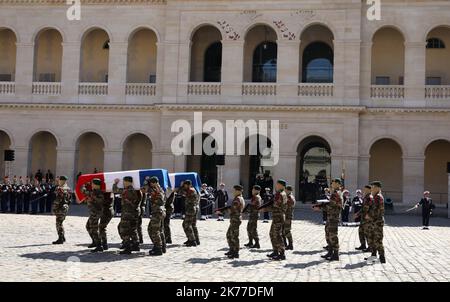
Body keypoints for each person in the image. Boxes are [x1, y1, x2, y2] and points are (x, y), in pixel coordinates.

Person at [313, 178, 342, 261]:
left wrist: (320, 207)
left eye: (333, 182)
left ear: (337, 184)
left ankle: (335, 254)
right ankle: (330, 251)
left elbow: (331, 205)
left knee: (333, 235)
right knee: (328, 233)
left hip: (333, 217)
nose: (331, 184)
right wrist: (320, 206)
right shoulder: (334, 193)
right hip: (331, 216)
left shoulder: (336, 193)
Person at [260, 179, 288, 261]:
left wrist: (265, 209)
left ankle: (282, 253)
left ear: (282, 185)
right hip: (277, 216)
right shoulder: (280, 194)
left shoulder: (281, 194)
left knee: (277, 235)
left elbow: (276, 205)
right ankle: (275, 251)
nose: (276, 185)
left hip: (278, 216)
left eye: (278, 184)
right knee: (272, 233)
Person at [216, 185, 244, 259]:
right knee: (229, 235)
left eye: (234, 190)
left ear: (238, 191)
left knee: (234, 236)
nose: (233, 192)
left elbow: (232, 209)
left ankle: (235, 252)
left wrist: (221, 212)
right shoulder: (238, 198)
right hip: (234, 219)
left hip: (236, 219)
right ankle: (232, 249)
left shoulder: (238, 199)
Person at [116, 176, 141, 255]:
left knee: (124, 229)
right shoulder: (135, 190)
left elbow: (115, 190)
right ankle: (136, 245)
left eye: (124, 182)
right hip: (133, 213)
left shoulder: (127, 190)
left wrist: (115, 183)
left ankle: (127, 247)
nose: (123, 183)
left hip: (127, 213)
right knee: (133, 229)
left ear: (127, 182)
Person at [81, 178, 105, 252]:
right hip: (93, 212)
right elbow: (85, 192)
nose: (91, 185)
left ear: (95, 185)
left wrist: (83, 185)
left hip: (95, 213)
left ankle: (99, 245)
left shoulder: (98, 192)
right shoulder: (94, 192)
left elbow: (84, 191)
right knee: (88, 226)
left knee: (94, 228)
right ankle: (95, 242)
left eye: (92, 184)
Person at [366, 181, 385, 264]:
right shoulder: (374, 197)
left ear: (378, 188)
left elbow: (378, 211)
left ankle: (382, 257)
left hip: (377, 222)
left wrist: (370, 216)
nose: (372, 188)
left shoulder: (378, 197)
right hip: (373, 221)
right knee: (372, 239)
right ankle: (373, 256)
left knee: (377, 240)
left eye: (373, 187)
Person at [147, 177, 166, 256]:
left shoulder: (157, 189)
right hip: (158, 212)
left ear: (153, 183)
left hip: (157, 212)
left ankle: (158, 248)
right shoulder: (157, 188)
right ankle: (162, 247)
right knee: (158, 230)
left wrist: (153, 199)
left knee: (153, 230)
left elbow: (160, 200)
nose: (150, 185)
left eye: (150, 183)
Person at [52, 175, 72, 244]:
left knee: (58, 223)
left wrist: (54, 208)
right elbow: (70, 200)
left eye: (59, 180)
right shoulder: (68, 188)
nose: (59, 181)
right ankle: (63, 237)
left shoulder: (60, 189)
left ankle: (60, 238)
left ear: (62, 181)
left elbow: (58, 200)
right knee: (60, 222)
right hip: (65, 207)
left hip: (60, 208)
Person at [181, 180, 200, 247]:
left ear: (188, 185)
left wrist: (181, 187)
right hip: (193, 209)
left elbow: (183, 193)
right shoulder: (192, 190)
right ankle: (195, 240)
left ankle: (192, 240)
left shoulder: (191, 190)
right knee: (193, 225)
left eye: (185, 185)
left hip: (190, 210)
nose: (184, 186)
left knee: (186, 224)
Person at [243, 185, 262, 249]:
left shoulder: (257, 197)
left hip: (254, 215)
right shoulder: (255, 197)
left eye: (253, 190)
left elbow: (252, 205)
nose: (252, 191)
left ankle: (257, 243)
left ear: (257, 190)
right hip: (252, 214)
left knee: (253, 229)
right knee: (249, 228)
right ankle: (250, 242)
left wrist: (245, 210)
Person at [355, 186, 372, 251]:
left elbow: (366, 208)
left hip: (367, 218)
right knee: (361, 231)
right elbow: (363, 208)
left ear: (369, 190)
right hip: (363, 218)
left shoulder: (369, 198)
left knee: (367, 233)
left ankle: (370, 247)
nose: (364, 190)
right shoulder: (365, 197)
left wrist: (358, 214)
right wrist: (358, 214)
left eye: (365, 189)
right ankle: (363, 245)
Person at [283, 185, 296, 250]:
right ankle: (284, 244)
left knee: (287, 230)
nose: (285, 191)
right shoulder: (288, 197)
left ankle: (290, 244)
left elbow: (286, 207)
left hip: (287, 216)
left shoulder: (290, 198)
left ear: (288, 190)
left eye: (285, 190)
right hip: (286, 215)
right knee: (283, 230)